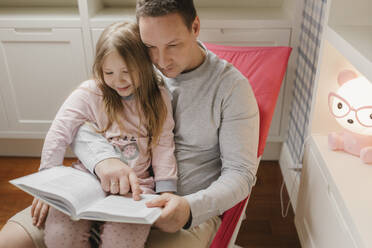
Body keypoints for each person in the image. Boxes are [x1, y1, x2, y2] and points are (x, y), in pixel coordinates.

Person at [0, 0, 260, 247]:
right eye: (150, 46)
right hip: (98, 190)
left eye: (173, 45)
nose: (161, 60)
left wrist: (190, 207)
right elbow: (81, 119)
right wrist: (103, 161)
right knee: (9, 241)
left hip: (176, 211)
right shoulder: (132, 66)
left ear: (195, 27)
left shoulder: (232, 89)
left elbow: (241, 174)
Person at [1, 21, 178, 248]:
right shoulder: (90, 92)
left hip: (136, 185)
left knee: (122, 241)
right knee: (60, 234)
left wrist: (166, 192)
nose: (118, 80)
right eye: (109, 72)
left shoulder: (158, 97)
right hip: (85, 181)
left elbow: (164, 145)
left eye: (127, 71)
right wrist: (46, 184)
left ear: (143, 65)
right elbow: (58, 133)